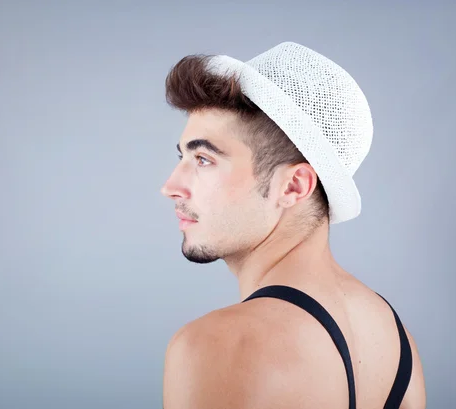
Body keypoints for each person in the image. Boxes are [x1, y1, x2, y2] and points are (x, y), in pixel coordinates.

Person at [159, 42, 426, 409]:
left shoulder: (216, 344)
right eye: (183, 156)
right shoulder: (396, 341)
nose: (171, 186)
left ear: (294, 186)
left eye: (204, 159)